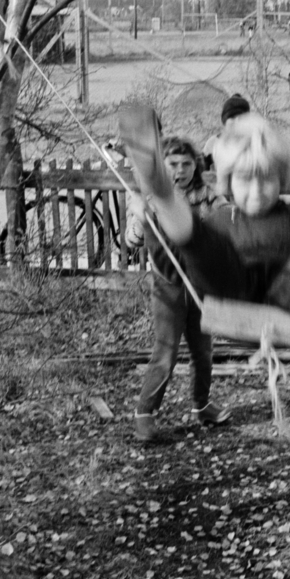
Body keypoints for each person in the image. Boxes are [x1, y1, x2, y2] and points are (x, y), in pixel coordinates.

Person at [120, 107, 290, 336]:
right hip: (234, 307)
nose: (256, 191)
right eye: (246, 179)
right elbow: (175, 269)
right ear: (228, 182)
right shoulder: (221, 220)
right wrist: (151, 226)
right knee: (205, 249)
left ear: (281, 179)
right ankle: (164, 197)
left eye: (266, 179)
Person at [125, 133, 230, 444]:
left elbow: (227, 222)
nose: (180, 170)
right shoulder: (154, 199)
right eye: (173, 164)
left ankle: (202, 405)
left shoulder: (208, 195)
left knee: (203, 352)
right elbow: (131, 240)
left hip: (201, 285)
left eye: (186, 164)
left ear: (194, 166)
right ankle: (145, 413)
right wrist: (139, 218)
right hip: (167, 287)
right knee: (166, 353)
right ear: (162, 166)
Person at [201, 92, 250, 174]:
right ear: (225, 120)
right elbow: (203, 172)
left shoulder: (255, 143)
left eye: (242, 118)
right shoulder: (213, 143)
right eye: (232, 117)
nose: (237, 121)